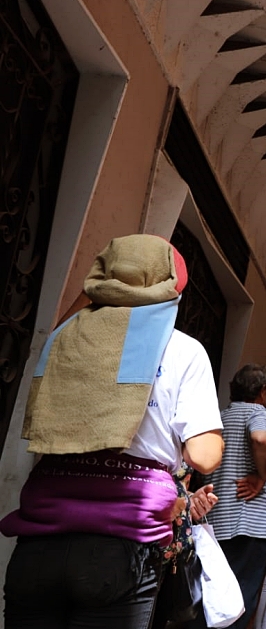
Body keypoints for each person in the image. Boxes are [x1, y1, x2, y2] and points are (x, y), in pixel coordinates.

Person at [1, 234, 225, 628]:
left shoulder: (62, 340)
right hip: (122, 546)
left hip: (38, 538)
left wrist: (100, 293)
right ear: (173, 286)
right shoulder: (182, 350)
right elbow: (203, 456)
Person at [189, 364, 266, 629]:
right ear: (262, 391)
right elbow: (261, 439)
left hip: (217, 521)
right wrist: (261, 477)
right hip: (247, 523)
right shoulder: (257, 411)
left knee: (216, 598)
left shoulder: (220, 417)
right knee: (239, 601)